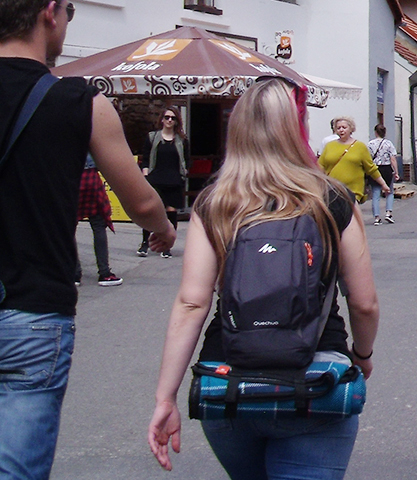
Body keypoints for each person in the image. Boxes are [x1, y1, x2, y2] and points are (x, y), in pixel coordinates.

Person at [147, 79, 379, 479]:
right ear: (296, 128)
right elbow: (363, 302)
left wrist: (165, 396)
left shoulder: (216, 201)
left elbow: (192, 303)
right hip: (317, 379)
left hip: (229, 382)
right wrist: (362, 354)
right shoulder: (331, 199)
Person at [0, 0, 174, 480]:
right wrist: (164, 229)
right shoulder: (79, 101)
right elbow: (141, 201)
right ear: (50, 13)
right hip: (33, 308)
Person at [139, 105, 188, 257]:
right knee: (152, 211)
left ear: (176, 121)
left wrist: (184, 174)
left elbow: (187, 160)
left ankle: (167, 245)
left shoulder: (182, 140)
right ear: (161, 119)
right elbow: (145, 158)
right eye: (166, 117)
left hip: (174, 180)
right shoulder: (153, 137)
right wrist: (146, 174)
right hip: (156, 179)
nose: (169, 120)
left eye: (172, 118)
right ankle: (145, 243)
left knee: (171, 212)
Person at [319, 116, 390, 207]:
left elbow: (371, 169)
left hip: (353, 192)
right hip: (333, 191)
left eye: (344, 127)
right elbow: (320, 166)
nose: (341, 130)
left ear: (351, 129)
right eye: (338, 128)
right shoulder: (329, 146)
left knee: (352, 219)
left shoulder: (360, 147)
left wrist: (383, 184)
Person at [76, 154, 120, 286]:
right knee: (98, 224)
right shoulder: (90, 131)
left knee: (68, 228)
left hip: (69, 175)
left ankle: (74, 274)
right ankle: (104, 273)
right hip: (90, 174)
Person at [368, 123, 398, 225]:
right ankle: (388, 213)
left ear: (375, 132)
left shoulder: (370, 144)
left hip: (375, 169)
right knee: (389, 191)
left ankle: (376, 217)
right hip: (386, 169)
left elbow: (367, 159)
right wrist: (396, 172)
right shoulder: (389, 143)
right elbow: (393, 159)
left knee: (376, 194)